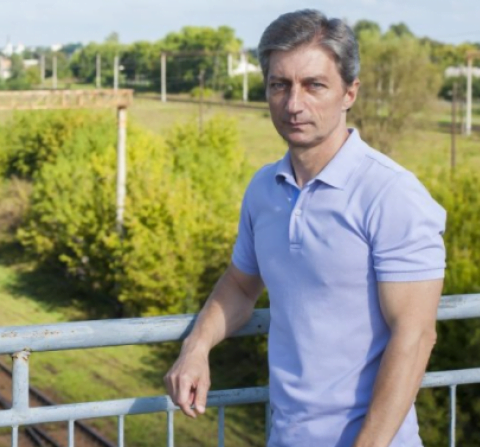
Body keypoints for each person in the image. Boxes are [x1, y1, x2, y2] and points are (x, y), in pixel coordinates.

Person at [164, 9, 446, 447]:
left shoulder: (391, 194)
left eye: (314, 85)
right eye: (280, 85)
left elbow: (415, 336)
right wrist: (196, 348)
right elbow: (240, 286)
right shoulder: (264, 189)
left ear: (349, 92)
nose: (294, 104)